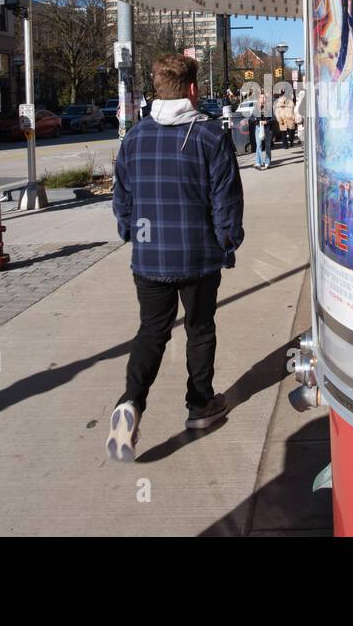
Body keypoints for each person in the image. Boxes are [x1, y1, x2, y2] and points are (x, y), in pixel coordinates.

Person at [107, 53, 243, 462]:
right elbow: (226, 200)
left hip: (150, 257)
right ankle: (200, 404)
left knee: (152, 331)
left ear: (156, 89)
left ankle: (130, 403)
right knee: (199, 329)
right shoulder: (209, 136)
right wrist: (227, 243)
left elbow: (122, 196)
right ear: (191, 89)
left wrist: (131, 232)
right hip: (198, 256)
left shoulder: (135, 136)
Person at [252, 92, 272, 170]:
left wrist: (266, 122)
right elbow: (251, 118)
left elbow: (273, 119)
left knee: (267, 146)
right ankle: (259, 163)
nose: (262, 99)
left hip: (267, 128)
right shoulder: (256, 108)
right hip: (258, 128)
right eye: (261, 97)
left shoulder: (269, 108)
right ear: (258, 99)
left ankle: (267, 162)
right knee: (259, 146)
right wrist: (257, 120)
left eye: (264, 98)